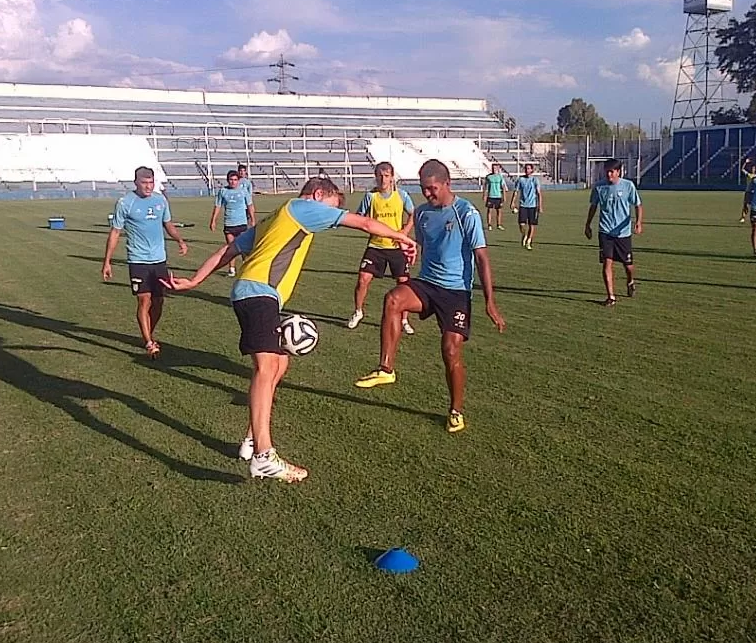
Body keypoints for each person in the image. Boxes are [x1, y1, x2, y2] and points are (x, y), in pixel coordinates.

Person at [164, 177, 417, 483]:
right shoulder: (302, 207)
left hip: (257, 293)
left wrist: (195, 280)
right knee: (267, 365)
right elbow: (363, 223)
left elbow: (228, 251)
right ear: (318, 194)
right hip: (259, 292)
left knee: (279, 363)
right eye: (331, 207)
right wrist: (403, 239)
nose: (331, 215)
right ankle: (263, 456)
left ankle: (251, 440)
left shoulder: (276, 218)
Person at [354, 159, 506, 434]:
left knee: (450, 351)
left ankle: (456, 410)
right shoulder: (423, 214)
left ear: (447, 184)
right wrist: (413, 252)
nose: (427, 194)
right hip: (427, 283)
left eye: (432, 188)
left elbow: (482, 258)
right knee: (393, 300)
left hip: (456, 292)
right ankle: (386, 368)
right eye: (424, 189)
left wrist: (490, 303)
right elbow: (424, 244)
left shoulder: (465, 213)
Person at [102, 166, 188, 358]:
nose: (148, 186)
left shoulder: (160, 200)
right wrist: (107, 261)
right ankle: (149, 342)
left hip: (159, 260)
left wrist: (179, 240)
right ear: (136, 183)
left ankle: (149, 331)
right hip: (137, 260)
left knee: (159, 302)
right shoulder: (125, 203)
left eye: (151, 182)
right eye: (144, 183)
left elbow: (168, 224)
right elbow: (115, 232)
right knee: (144, 300)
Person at [346, 162, 416, 334]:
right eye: (380, 175)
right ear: (375, 177)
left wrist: (404, 232)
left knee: (404, 283)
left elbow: (414, 214)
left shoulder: (401, 195)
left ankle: (404, 319)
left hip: (396, 247)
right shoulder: (371, 197)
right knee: (363, 279)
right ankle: (358, 311)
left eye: (386, 175)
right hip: (376, 245)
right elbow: (359, 216)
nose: (383, 179)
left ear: (392, 177)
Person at [584, 158, 643, 307]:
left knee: (628, 266)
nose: (609, 174)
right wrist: (588, 224)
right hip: (605, 231)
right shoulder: (599, 187)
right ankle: (611, 296)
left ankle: (630, 280)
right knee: (606, 263)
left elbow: (638, 205)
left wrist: (638, 222)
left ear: (618, 172)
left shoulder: (628, 186)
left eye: (612, 171)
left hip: (623, 233)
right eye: (607, 171)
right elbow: (593, 206)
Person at [210, 169, 256, 277]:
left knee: (245, 248)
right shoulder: (223, 191)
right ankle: (231, 269)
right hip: (229, 224)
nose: (233, 182)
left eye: (235, 180)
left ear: (238, 181)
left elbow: (250, 205)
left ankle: (247, 267)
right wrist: (213, 221)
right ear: (227, 180)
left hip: (241, 223)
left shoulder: (243, 191)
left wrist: (253, 219)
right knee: (231, 248)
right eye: (231, 180)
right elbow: (218, 206)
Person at [509, 163, 543, 249]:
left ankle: (529, 241)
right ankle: (524, 235)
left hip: (533, 205)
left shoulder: (535, 180)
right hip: (523, 204)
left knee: (532, 225)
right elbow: (516, 191)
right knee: (521, 224)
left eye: (528, 169)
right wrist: (512, 202)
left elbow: (539, 193)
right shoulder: (520, 180)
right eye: (526, 169)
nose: (527, 170)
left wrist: (540, 205)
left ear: (532, 170)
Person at [483, 163, 507, 230]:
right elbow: (485, 186)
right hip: (491, 196)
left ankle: (499, 224)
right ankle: (489, 225)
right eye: (493, 168)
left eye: (495, 168)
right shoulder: (488, 177)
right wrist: (484, 195)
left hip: (498, 196)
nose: (494, 169)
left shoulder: (500, 177)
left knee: (499, 211)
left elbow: (503, 187)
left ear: (498, 169)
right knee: (489, 211)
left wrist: (504, 196)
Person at [739, 157, 756, 223]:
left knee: (754, 206)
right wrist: (745, 163)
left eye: (754, 168)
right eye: (752, 168)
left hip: (754, 193)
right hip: (748, 192)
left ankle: (754, 217)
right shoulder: (749, 175)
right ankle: (743, 217)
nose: (753, 169)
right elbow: (742, 169)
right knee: (745, 205)